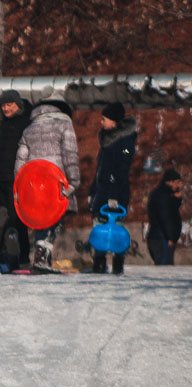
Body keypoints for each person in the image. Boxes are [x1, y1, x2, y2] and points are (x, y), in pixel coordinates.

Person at [15, 88, 80, 266]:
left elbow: (20, 161)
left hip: (35, 184)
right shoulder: (64, 124)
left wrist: (19, 187)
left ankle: (41, 252)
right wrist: (74, 182)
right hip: (56, 182)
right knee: (55, 218)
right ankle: (43, 253)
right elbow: (70, 154)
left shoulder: (29, 129)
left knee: (41, 218)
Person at [89, 102, 138, 274]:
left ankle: (118, 261)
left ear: (115, 122)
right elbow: (101, 170)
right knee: (99, 225)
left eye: (105, 119)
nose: (101, 122)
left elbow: (120, 170)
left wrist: (114, 196)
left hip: (115, 192)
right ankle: (99, 260)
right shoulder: (107, 141)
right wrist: (92, 190)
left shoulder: (124, 141)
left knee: (115, 226)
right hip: (102, 191)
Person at [0, 89, 32, 263]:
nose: (6, 109)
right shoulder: (2, 123)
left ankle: (22, 255)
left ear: (18, 105)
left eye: (9, 105)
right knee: (2, 217)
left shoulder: (25, 122)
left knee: (17, 219)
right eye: (3, 106)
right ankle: (4, 254)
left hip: (16, 178)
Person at [147, 169, 183, 265]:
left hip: (160, 237)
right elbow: (166, 218)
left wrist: (176, 200)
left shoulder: (163, 194)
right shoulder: (163, 196)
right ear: (170, 182)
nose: (179, 185)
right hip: (161, 239)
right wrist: (170, 237)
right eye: (177, 182)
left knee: (165, 269)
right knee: (165, 270)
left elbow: (171, 211)